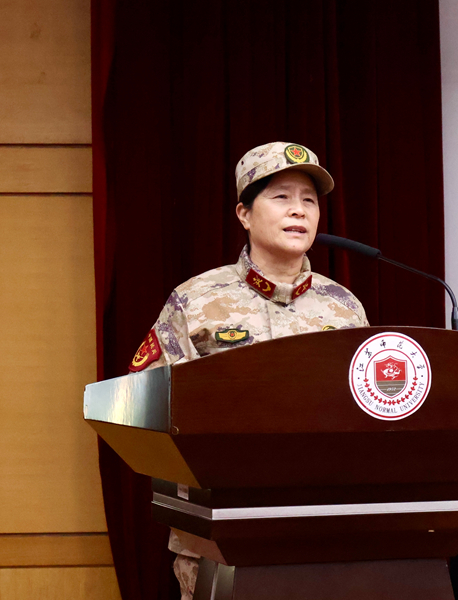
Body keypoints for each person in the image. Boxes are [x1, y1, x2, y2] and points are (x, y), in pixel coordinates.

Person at [127, 141, 369, 599]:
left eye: (309, 200)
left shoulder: (344, 307)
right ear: (244, 214)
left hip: (321, 534)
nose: (298, 210)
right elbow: (146, 406)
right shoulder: (195, 300)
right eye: (281, 197)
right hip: (220, 536)